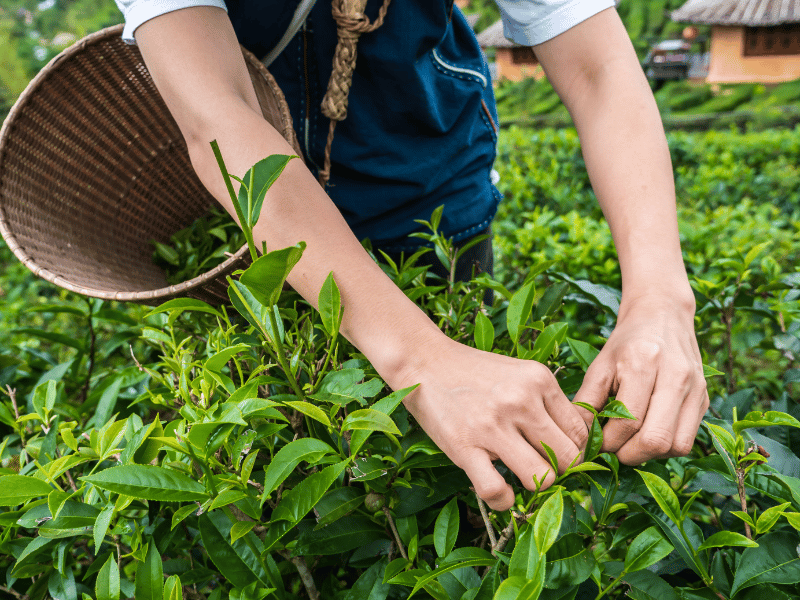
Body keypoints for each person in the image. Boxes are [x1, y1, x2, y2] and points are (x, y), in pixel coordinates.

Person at [113, 0, 709, 511]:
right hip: (243, 223)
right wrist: (420, 359)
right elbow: (218, 115)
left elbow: (598, 68)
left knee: (454, 466)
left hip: (429, 189)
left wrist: (659, 296)